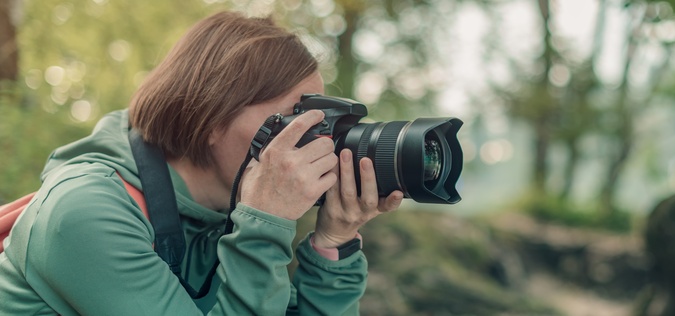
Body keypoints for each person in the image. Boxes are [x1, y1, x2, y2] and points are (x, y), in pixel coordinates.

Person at [0, 11, 403, 315]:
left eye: (320, 120)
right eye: (295, 118)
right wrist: (264, 224)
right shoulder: (86, 212)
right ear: (211, 117)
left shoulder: (222, 217)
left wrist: (333, 242)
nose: (316, 140)